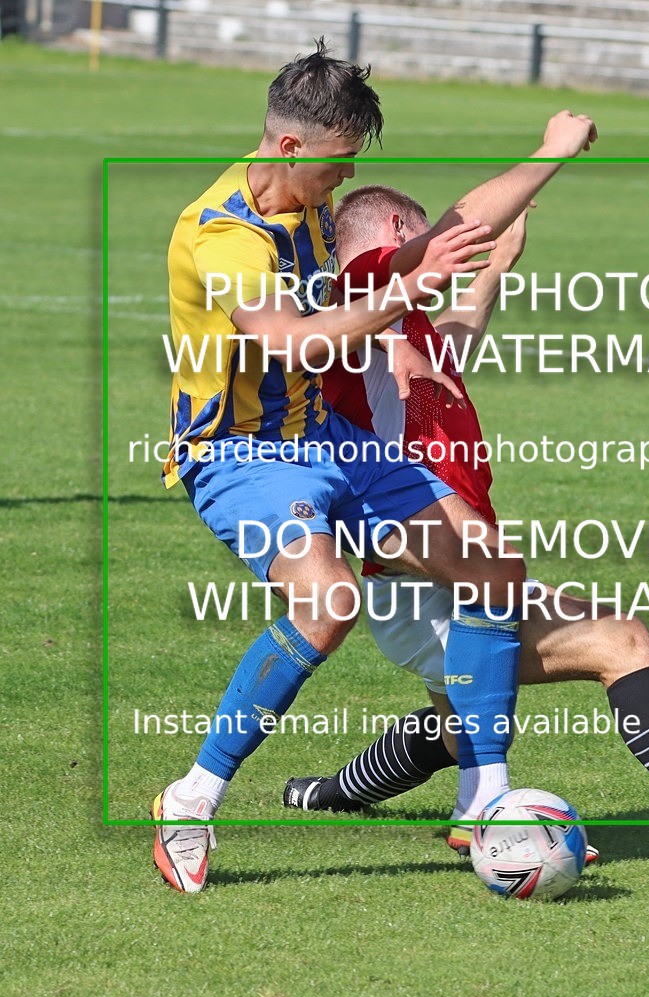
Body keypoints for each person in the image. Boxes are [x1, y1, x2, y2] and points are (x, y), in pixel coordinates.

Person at [283, 185, 649, 903]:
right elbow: (426, 260)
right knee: (620, 642)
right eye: (424, 237)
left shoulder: (411, 336)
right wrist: (543, 160)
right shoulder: (357, 302)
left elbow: (462, 324)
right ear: (396, 231)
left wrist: (499, 261)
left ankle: (329, 793)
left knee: (456, 727)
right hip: (423, 586)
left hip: (438, 584)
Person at [153, 40, 599, 893]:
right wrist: (407, 285)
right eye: (337, 167)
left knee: (493, 571)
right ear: (289, 149)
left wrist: (538, 163)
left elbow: (431, 241)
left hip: (330, 436)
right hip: (243, 451)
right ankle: (192, 798)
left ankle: (486, 800)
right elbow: (291, 339)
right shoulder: (224, 241)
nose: (344, 183)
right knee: (329, 606)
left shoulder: (306, 200)